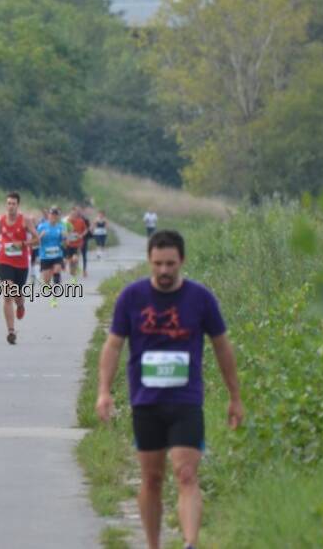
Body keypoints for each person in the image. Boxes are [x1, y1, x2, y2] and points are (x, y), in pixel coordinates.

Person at [95, 230, 244, 549]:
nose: (164, 271)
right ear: (149, 260)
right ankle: (153, 544)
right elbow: (113, 346)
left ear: (182, 261)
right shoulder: (131, 297)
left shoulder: (200, 298)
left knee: (186, 473)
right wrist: (104, 391)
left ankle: (190, 543)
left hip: (186, 401)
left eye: (171, 264)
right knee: (152, 479)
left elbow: (222, 347)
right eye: (159, 264)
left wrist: (235, 397)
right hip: (146, 402)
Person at [0, 192, 38, 345]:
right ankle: (11, 331)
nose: (11, 206)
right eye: (8, 203)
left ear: (17, 205)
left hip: (21, 263)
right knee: (7, 293)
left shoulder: (25, 220)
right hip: (5, 260)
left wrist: (24, 244)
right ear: (6, 205)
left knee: (17, 295)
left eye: (13, 203)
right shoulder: (1, 220)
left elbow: (36, 239)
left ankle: (20, 305)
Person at [36, 208, 67, 308]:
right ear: (48, 216)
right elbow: (35, 241)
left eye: (55, 215)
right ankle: (47, 285)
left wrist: (64, 237)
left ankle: (54, 297)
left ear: (58, 217)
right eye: (52, 215)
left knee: (57, 271)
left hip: (57, 254)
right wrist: (41, 236)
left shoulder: (61, 227)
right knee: (46, 280)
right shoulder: (42, 227)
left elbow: (66, 242)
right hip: (45, 256)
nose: (53, 217)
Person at [65, 207, 89, 279]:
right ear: (70, 213)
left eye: (75, 213)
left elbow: (85, 230)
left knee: (75, 258)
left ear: (76, 214)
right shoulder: (67, 222)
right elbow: (64, 231)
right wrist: (66, 237)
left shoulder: (81, 221)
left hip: (78, 243)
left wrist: (81, 235)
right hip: (69, 243)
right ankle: (72, 269)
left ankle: (75, 268)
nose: (73, 214)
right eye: (72, 213)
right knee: (70, 260)